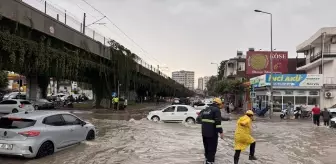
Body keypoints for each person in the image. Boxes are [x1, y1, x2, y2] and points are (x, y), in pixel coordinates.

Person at [200, 97, 224, 164]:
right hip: (212, 133)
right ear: (218, 104)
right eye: (220, 104)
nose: (221, 106)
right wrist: (221, 132)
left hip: (204, 132)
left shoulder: (206, 109)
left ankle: (206, 159)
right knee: (212, 147)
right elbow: (218, 123)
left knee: (206, 146)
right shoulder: (216, 110)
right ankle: (210, 162)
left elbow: (200, 119)